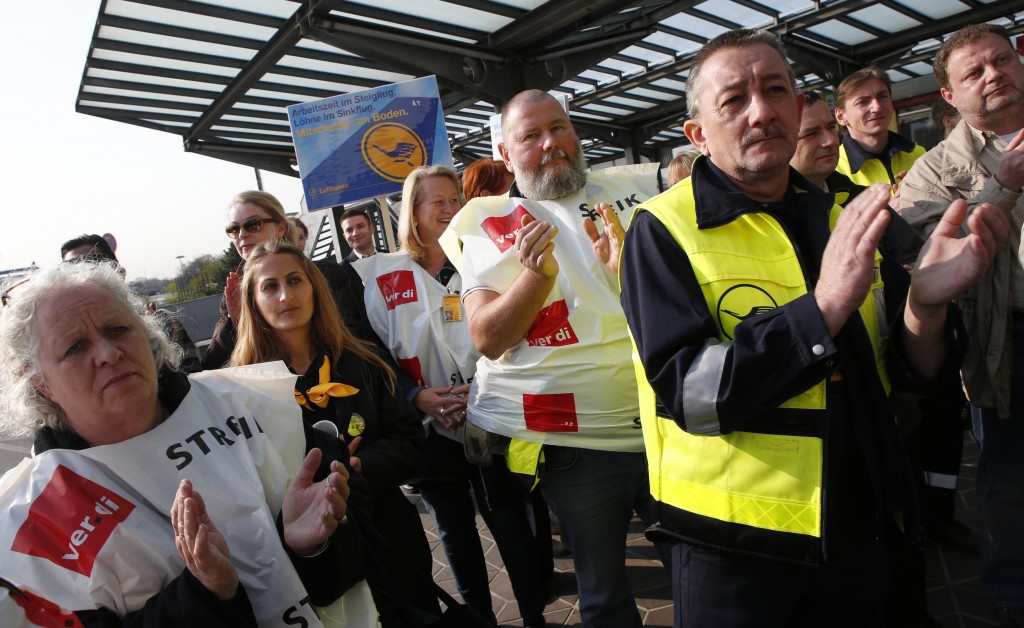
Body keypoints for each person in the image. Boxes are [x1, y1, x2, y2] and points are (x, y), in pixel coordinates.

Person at [619, 28, 1005, 628]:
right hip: (735, 549)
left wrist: (926, 307)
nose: (762, 110)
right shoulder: (662, 228)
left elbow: (908, 372)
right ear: (698, 135)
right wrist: (821, 309)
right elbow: (690, 394)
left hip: (858, 522)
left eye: (776, 90)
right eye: (734, 100)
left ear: (799, 106)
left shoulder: (845, 213)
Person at [0, 261, 370, 627]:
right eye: (75, 347)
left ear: (147, 334)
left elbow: (363, 559)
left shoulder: (254, 402)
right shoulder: (30, 523)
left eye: (118, 329)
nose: (108, 354)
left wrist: (313, 549)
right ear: (39, 382)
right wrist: (204, 595)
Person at [439, 89, 662, 628]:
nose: (551, 144)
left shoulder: (632, 191)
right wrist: (537, 279)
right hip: (581, 448)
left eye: (559, 128)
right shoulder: (487, 225)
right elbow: (487, 337)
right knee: (604, 590)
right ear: (504, 151)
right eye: (531, 136)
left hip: (669, 422)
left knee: (700, 563)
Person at [353, 165, 548, 627]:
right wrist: (416, 396)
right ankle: (478, 620)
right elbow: (373, 357)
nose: (447, 209)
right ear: (412, 213)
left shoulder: (482, 258)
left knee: (510, 526)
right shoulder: (379, 277)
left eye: (452, 199)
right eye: (435, 201)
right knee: (456, 536)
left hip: (492, 418)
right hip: (429, 434)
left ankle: (535, 618)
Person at [230, 240, 437, 625]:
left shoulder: (363, 362)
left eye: (295, 280)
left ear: (314, 288)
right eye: (269, 286)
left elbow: (410, 439)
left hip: (388, 536)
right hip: (315, 558)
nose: (285, 295)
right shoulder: (242, 391)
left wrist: (357, 468)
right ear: (253, 303)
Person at [898, 23, 1024, 626]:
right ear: (949, 95)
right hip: (1007, 339)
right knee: (1006, 472)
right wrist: (1001, 186)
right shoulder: (934, 170)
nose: (993, 73)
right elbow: (926, 257)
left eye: (1002, 59)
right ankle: (1009, 591)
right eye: (973, 72)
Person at [202, 191, 366, 369]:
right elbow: (211, 365)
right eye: (233, 229)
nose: (242, 234)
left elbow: (354, 337)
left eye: (253, 224)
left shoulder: (327, 274)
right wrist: (234, 325)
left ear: (280, 227)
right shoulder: (233, 294)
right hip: (270, 391)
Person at [60, 233, 201, 373]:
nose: (83, 274)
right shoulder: (66, 344)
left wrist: (152, 339)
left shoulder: (161, 322)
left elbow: (193, 379)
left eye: (92, 263)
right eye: (71, 269)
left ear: (119, 273)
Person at [835, 66, 926, 192]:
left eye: (882, 96)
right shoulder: (833, 168)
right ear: (841, 116)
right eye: (862, 102)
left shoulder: (918, 154)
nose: (876, 107)